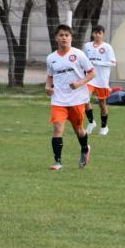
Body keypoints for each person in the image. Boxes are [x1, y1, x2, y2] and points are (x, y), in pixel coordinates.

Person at [45, 24, 95, 170]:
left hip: (77, 99)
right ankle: (57, 162)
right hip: (58, 100)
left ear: (71, 38)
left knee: (79, 129)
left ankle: (85, 149)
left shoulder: (78, 54)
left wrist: (79, 83)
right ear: (56, 38)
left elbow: (92, 73)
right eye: (61, 35)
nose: (64, 38)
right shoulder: (51, 58)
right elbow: (50, 76)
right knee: (58, 128)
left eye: (67, 35)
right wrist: (47, 87)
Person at [83, 25, 116, 135]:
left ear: (103, 34)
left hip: (102, 80)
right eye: (95, 33)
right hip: (90, 78)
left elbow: (113, 63)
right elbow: (83, 60)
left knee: (102, 103)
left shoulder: (107, 47)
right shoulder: (87, 46)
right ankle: (91, 122)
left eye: (100, 33)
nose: (97, 35)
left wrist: (98, 63)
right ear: (93, 34)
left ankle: (104, 126)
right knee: (84, 99)